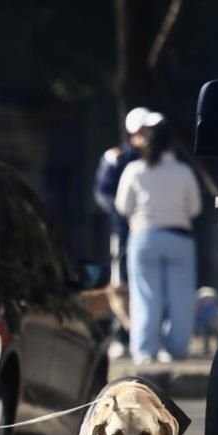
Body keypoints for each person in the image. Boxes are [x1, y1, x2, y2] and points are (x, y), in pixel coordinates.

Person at [114, 113, 201, 364]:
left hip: (144, 237)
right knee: (181, 297)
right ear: (170, 143)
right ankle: (176, 348)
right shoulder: (184, 172)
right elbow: (194, 209)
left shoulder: (135, 170)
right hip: (180, 238)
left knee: (145, 296)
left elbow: (122, 206)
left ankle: (144, 350)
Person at [92, 107, 150, 358]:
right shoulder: (115, 159)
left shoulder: (154, 158)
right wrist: (121, 212)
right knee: (121, 283)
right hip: (123, 232)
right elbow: (102, 192)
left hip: (147, 229)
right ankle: (123, 334)